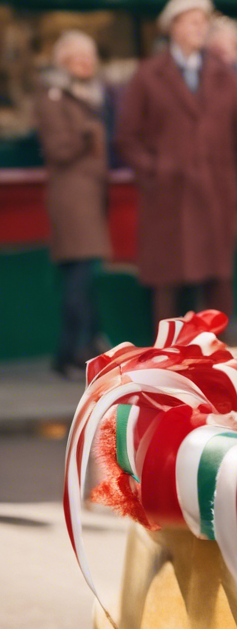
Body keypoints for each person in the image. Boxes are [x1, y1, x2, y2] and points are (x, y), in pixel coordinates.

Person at [116, 0, 237, 328]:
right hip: (167, 201)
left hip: (215, 199)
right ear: (172, 26)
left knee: (218, 290)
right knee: (168, 292)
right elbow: (126, 137)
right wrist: (155, 171)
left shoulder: (224, 75)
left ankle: (216, 368)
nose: (200, 27)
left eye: (204, 21)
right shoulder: (148, 75)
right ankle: (166, 371)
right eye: (192, 20)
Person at [36, 31, 111, 377]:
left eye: (91, 56)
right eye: (80, 56)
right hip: (71, 198)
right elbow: (56, 149)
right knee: (78, 278)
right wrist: (88, 136)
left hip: (89, 196)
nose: (87, 63)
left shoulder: (86, 95)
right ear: (63, 60)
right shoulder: (53, 96)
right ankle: (72, 351)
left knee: (84, 278)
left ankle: (88, 344)